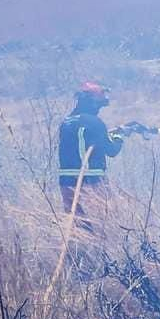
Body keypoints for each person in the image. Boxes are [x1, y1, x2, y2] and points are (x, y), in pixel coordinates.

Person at [57, 81, 127, 225]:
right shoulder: (94, 122)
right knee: (105, 220)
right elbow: (112, 150)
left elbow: (85, 141)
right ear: (93, 103)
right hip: (91, 179)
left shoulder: (67, 122)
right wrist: (119, 138)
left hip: (66, 181)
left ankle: (78, 248)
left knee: (78, 225)